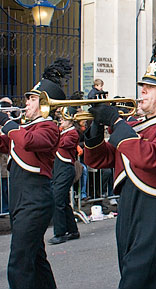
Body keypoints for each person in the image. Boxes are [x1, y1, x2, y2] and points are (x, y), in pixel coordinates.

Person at [84, 14, 156, 289]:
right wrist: (95, 131)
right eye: (141, 87)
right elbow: (101, 159)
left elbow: (152, 157)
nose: (141, 92)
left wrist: (116, 122)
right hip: (128, 210)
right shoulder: (134, 125)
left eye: (149, 88)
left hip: (154, 214)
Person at [0, 58, 72, 289]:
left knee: (19, 263)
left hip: (34, 200)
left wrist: (6, 123)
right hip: (21, 199)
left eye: (32, 99)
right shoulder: (26, 127)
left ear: (44, 104)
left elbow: (29, 142)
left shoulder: (48, 128)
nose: (26, 102)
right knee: (35, 259)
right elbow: (7, 143)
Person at [48, 113, 81, 245]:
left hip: (66, 170)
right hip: (59, 170)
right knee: (64, 201)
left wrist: (53, 131)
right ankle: (73, 231)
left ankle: (60, 233)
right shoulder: (63, 132)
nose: (61, 121)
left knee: (57, 201)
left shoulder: (72, 133)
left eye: (64, 119)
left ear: (71, 122)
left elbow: (60, 144)